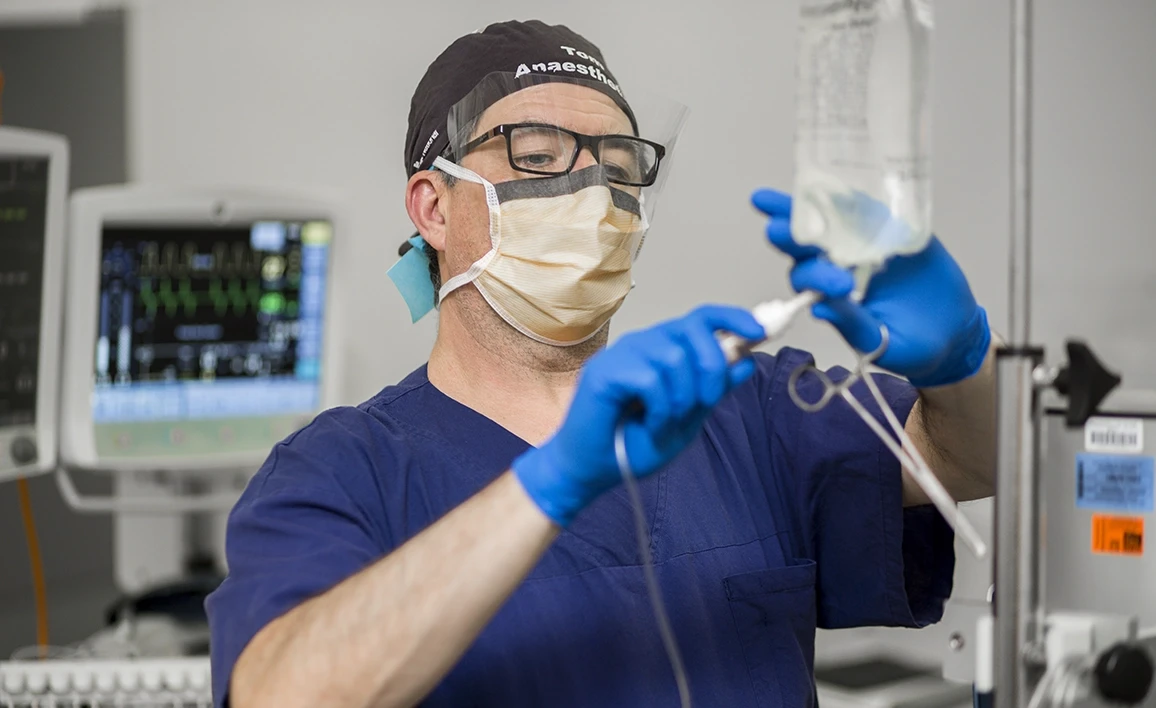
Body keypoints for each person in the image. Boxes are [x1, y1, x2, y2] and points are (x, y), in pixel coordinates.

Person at [207, 19, 996, 708]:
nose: (592, 192)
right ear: (434, 208)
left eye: (619, 168)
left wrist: (961, 363)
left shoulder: (745, 409)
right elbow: (280, 693)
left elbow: (974, 461)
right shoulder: (342, 473)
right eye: (539, 156)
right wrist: (551, 485)